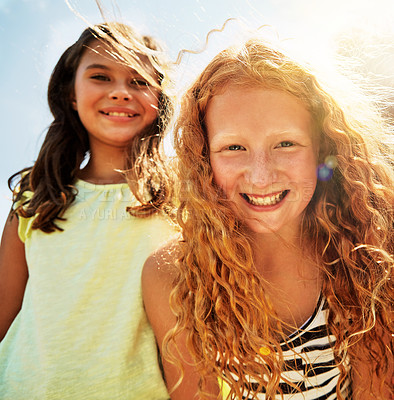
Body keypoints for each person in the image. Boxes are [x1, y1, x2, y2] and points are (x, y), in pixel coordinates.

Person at [142, 37, 393, 400]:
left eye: (286, 144)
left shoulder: (365, 245)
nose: (261, 177)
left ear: (322, 147)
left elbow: (376, 388)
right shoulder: (174, 276)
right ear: (203, 160)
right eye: (233, 148)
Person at [0, 22, 175, 399]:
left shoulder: (181, 198)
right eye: (100, 76)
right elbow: (4, 308)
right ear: (72, 95)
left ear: (159, 98)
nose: (120, 92)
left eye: (139, 82)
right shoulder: (36, 196)